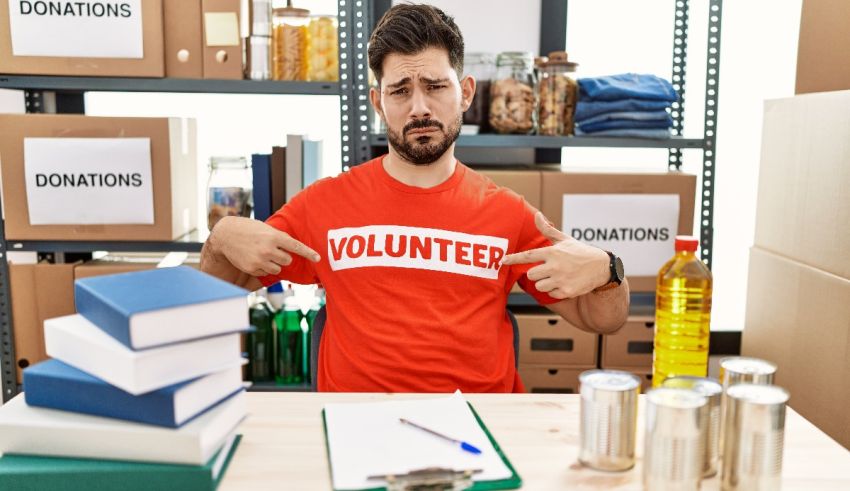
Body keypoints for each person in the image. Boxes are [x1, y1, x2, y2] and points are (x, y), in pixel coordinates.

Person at [201, 3, 629, 393]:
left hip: (481, 431)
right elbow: (214, 294)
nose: (419, 107)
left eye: (435, 86)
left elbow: (602, 319)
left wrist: (608, 270)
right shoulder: (323, 205)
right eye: (400, 90)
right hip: (360, 435)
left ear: (464, 93)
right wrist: (221, 237)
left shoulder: (509, 214)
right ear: (378, 102)